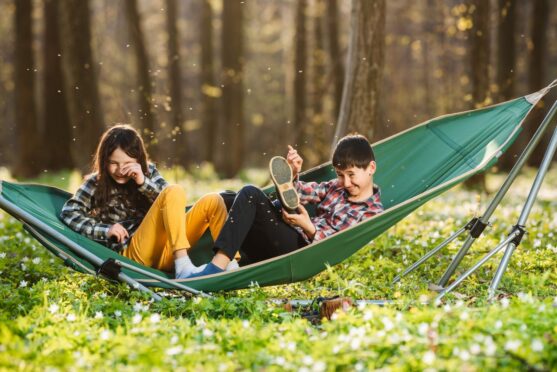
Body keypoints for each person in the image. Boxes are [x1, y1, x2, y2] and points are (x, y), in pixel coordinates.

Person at [185, 133, 384, 278]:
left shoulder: (373, 213)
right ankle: (219, 262)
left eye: (351, 175)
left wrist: (308, 226)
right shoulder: (335, 188)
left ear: (371, 168)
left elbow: (340, 246)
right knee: (228, 199)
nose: (346, 183)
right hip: (285, 235)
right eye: (340, 175)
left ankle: (217, 268)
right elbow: (301, 193)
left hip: (302, 254)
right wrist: (293, 175)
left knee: (250, 194)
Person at [60, 124, 236, 279]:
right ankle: (183, 267)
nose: (120, 170)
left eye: (127, 163)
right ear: (103, 161)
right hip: (133, 255)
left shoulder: (148, 172)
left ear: (138, 159)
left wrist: (143, 182)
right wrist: (106, 230)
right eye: (113, 163)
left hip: (168, 252)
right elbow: (69, 213)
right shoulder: (96, 182)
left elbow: (170, 199)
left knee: (213, 200)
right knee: (173, 190)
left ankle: (230, 264)